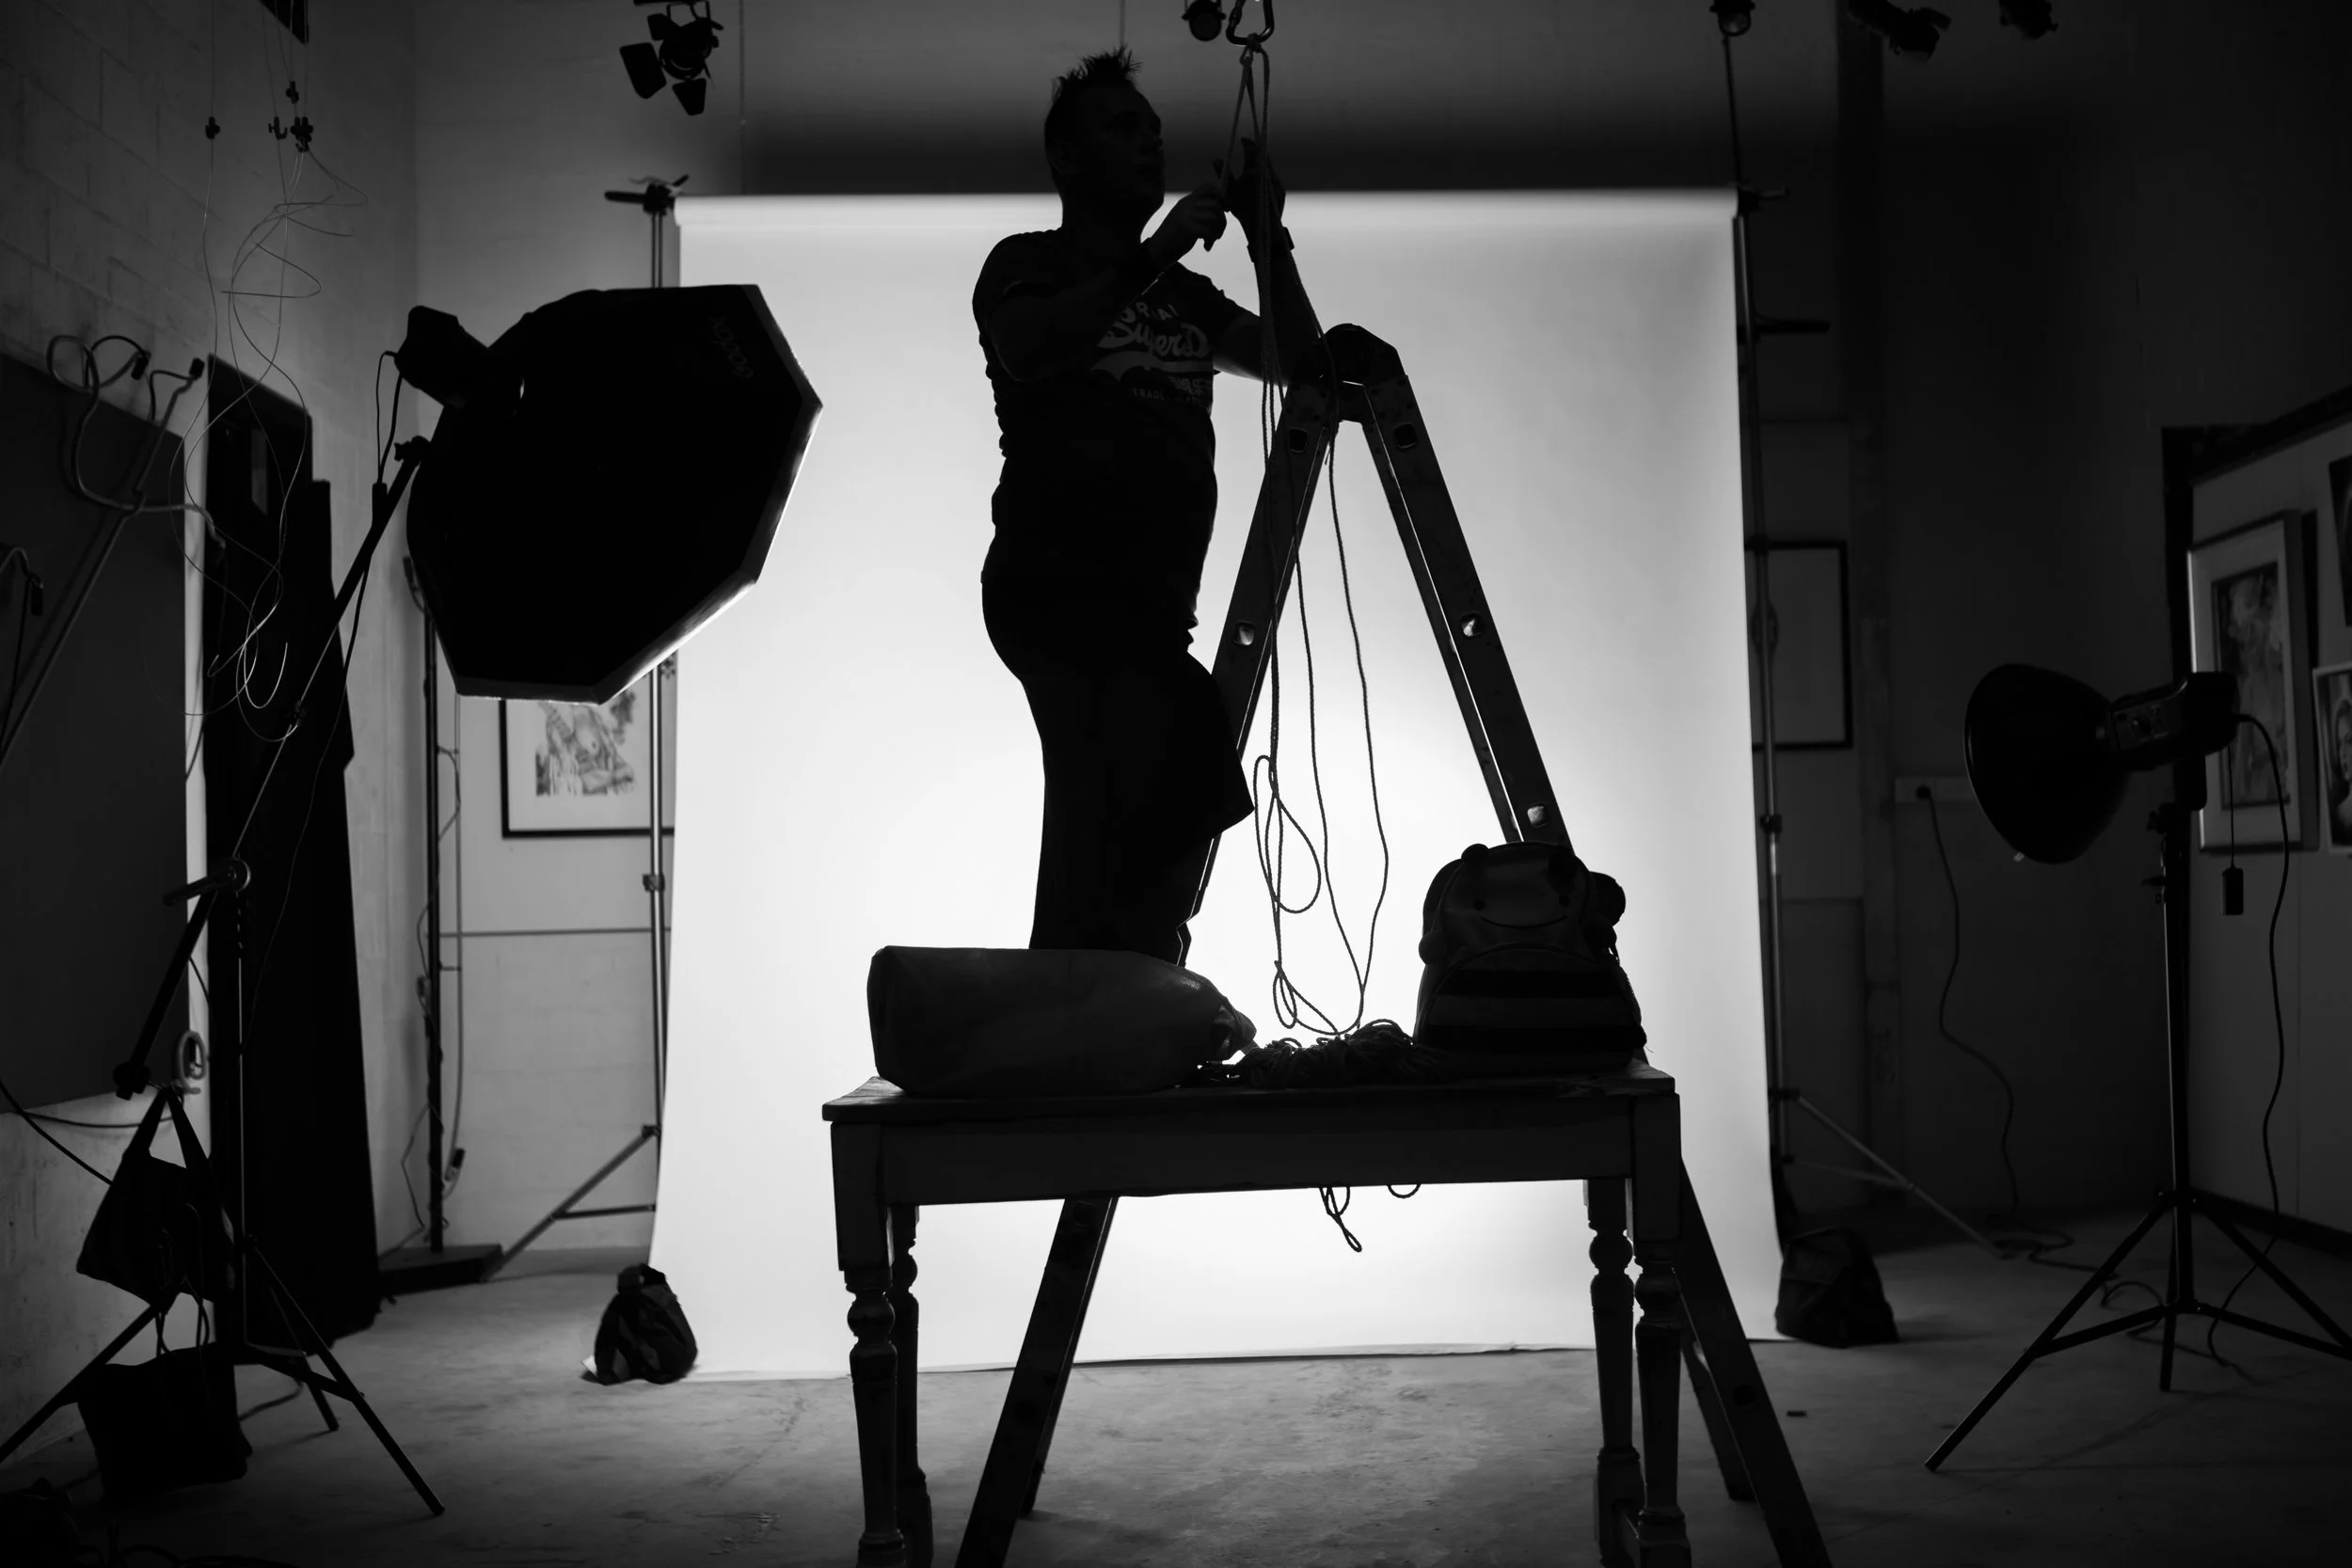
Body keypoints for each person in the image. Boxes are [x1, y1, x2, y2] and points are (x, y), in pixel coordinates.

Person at [974, 47, 1320, 964]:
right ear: (1067, 160)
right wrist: (1157, 251)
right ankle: (1081, 1000)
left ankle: (1127, 982)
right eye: (1123, 128)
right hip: (1059, 590)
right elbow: (1031, 348)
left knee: (1173, 786)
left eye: (1154, 131)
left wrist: (1264, 233)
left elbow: (1300, 363)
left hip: (1148, 614)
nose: (1149, 144)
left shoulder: (1186, 298)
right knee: (1107, 805)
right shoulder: (1027, 265)